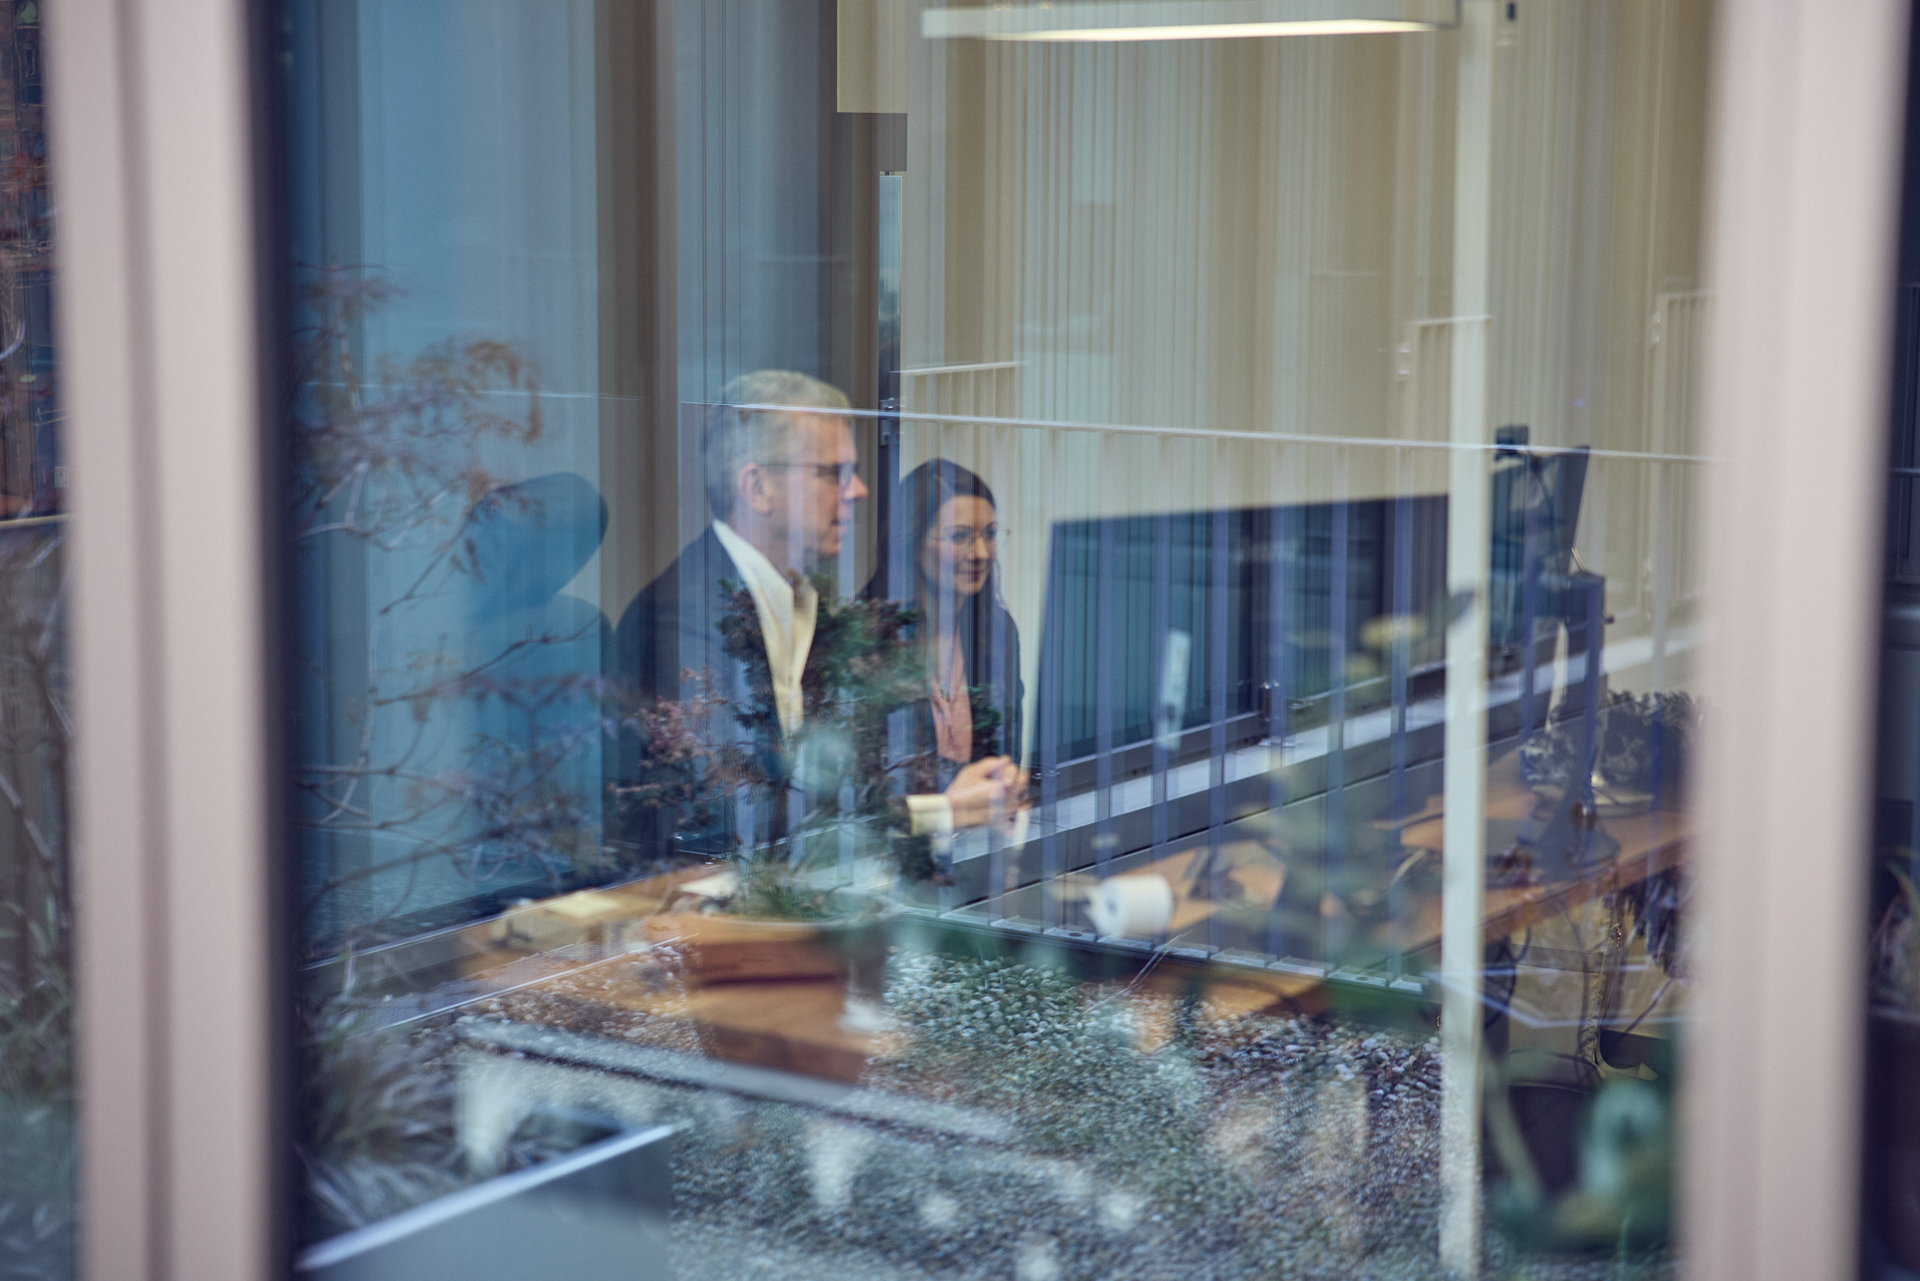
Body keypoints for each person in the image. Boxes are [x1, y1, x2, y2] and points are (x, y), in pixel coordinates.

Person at [608, 370, 1018, 855]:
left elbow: (844, 782)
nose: (860, 490)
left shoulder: (809, 606)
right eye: (833, 473)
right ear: (758, 488)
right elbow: (736, 812)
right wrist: (943, 811)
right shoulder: (681, 617)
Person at [864, 460, 1024, 791]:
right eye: (959, 536)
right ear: (912, 543)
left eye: (990, 534)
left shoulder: (997, 631)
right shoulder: (864, 637)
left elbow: (1008, 755)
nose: (980, 553)